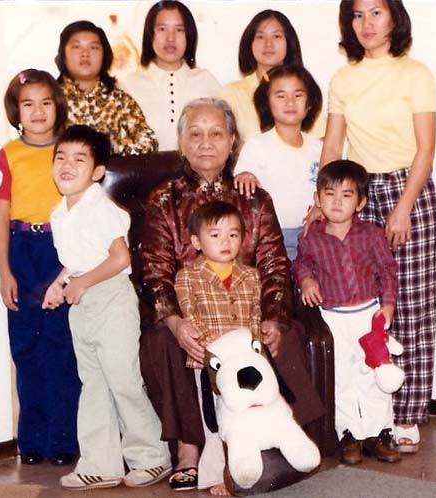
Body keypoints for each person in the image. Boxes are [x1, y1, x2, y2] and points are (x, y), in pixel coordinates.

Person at [138, 97, 324, 491]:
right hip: (192, 314)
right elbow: (154, 270)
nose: (206, 143)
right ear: (182, 142)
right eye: (196, 134)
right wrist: (175, 321)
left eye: (216, 134)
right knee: (164, 343)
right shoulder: (163, 199)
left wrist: (271, 319)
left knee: (285, 335)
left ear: (232, 141)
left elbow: (275, 266)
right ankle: (189, 451)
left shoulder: (254, 197)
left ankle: (285, 442)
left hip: (246, 312)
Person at [319, 0, 436, 453]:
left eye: (376, 12)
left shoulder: (415, 73)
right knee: (361, 310)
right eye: (357, 15)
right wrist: (323, 201)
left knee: (412, 305)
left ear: (394, 18)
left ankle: (407, 415)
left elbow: (425, 149)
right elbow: (333, 142)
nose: (365, 23)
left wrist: (403, 206)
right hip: (357, 195)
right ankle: (365, 419)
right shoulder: (343, 79)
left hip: (411, 192)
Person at [42, 125, 171, 490]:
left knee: (123, 380)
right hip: (82, 302)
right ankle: (101, 463)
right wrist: (60, 282)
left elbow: (118, 258)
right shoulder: (61, 212)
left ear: (98, 171)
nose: (67, 165)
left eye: (79, 159)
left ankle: (152, 457)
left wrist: (82, 282)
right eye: (61, 158)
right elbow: (80, 258)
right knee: (93, 383)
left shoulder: (100, 207)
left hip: (111, 296)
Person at [0, 69, 80, 467]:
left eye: (46, 102)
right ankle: (32, 440)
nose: (38, 111)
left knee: (62, 347)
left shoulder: (70, 148)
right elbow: (0, 216)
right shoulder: (6, 155)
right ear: (16, 111)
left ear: (57, 106)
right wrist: (4, 272)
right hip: (23, 250)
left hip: (60, 250)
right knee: (26, 348)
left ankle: (64, 440)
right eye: (28, 104)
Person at [295, 160, 400, 465]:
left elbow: (387, 270)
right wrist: (307, 279)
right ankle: (349, 435)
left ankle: (380, 434)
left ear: (361, 202)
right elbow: (300, 264)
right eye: (329, 194)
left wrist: (388, 304)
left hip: (368, 315)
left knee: (373, 375)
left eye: (346, 195)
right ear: (317, 199)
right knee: (341, 378)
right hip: (333, 317)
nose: (337, 202)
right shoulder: (312, 238)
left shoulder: (371, 235)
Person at [176, 201, 261, 496]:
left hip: (246, 364)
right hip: (211, 364)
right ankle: (216, 474)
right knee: (214, 421)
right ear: (197, 241)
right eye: (215, 235)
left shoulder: (250, 276)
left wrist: (255, 351)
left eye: (233, 235)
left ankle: (247, 471)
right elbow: (192, 318)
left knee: (245, 420)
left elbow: (254, 320)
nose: (226, 242)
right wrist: (225, 347)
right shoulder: (188, 276)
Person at [233, 64, 323, 260]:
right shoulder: (257, 145)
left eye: (298, 95)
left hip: (315, 236)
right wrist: (245, 175)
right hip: (273, 239)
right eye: (280, 96)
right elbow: (242, 178)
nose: (290, 102)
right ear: (267, 103)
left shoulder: (319, 148)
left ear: (309, 104)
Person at [120, 0, 222, 151]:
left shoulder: (205, 81)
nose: (170, 38)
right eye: (162, 29)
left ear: (189, 35)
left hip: (197, 173)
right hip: (144, 173)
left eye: (179, 30)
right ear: (150, 34)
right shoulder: (129, 85)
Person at [55, 20, 158, 155]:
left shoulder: (120, 101)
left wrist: (115, 149)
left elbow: (149, 142)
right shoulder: (51, 99)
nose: (85, 53)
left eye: (93, 47)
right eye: (76, 47)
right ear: (63, 55)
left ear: (105, 56)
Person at [221, 10, 323, 142]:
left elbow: (321, 141)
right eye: (260, 37)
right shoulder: (232, 93)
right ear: (249, 43)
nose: (268, 44)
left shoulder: (304, 89)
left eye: (277, 36)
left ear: (289, 42)